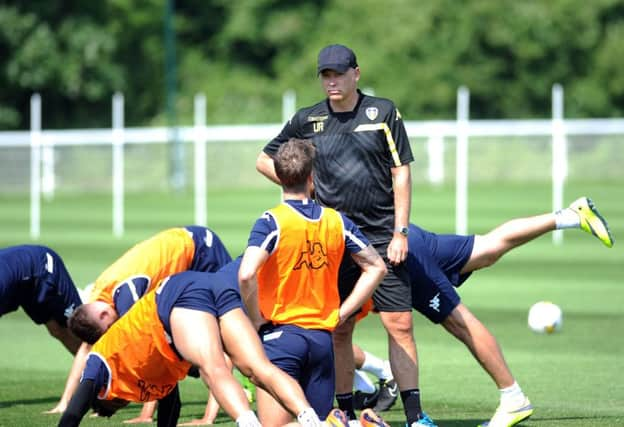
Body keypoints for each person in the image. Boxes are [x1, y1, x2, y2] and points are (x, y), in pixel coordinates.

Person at [256, 44, 431, 426]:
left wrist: (401, 231)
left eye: (338, 73)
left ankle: (416, 417)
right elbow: (263, 159)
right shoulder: (308, 119)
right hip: (331, 238)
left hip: (383, 235)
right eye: (325, 75)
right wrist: (303, 186)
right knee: (337, 327)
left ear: (356, 73)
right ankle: (345, 411)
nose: (331, 81)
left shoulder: (382, 112)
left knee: (399, 323)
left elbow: (401, 172)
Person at [354, 195, 614, 427]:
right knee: (489, 247)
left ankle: (514, 398)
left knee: (459, 322)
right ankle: (571, 216)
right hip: (407, 236)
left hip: (393, 251)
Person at [58, 270, 333, 427]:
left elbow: (73, 412)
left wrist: (93, 406)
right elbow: (171, 406)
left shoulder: (101, 358)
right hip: (210, 285)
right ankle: (314, 422)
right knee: (258, 369)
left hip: (176, 296)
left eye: (114, 404)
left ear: (106, 396)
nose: (124, 402)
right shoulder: (152, 380)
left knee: (213, 369)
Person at [239, 138, 388, 427]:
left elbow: (245, 274)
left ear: (279, 177)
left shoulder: (273, 221)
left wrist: (256, 319)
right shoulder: (337, 221)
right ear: (311, 177)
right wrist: (343, 313)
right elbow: (376, 267)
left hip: (281, 337)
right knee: (315, 422)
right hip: (322, 339)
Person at [46, 225, 232, 418]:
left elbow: (151, 352)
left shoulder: (127, 299)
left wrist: (146, 414)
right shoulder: (98, 299)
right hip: (187, 253)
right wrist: (67, 402)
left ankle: (211, 416)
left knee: (224, 334)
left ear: (103, 316)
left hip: (201, 251)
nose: (114, 329)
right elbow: (88, 349)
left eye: (110, 327)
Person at [0, 244, 82, 354]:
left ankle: (103, 367)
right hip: (23, 282)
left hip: (43, 267)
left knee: (78, 329)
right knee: (56, 330)